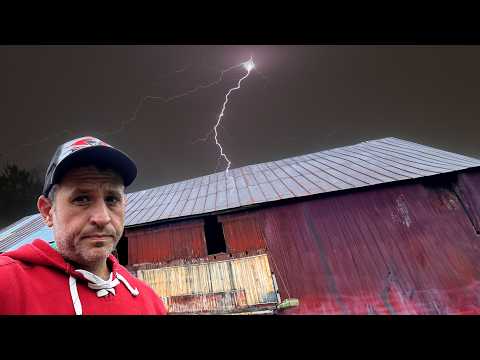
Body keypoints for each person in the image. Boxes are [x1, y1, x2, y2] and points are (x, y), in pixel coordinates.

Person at [0, 136, 167, 315]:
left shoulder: (150, 302)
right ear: (48, 211)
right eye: (82, 199)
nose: (103, 218)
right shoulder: (7, 285)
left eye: (112, 199)